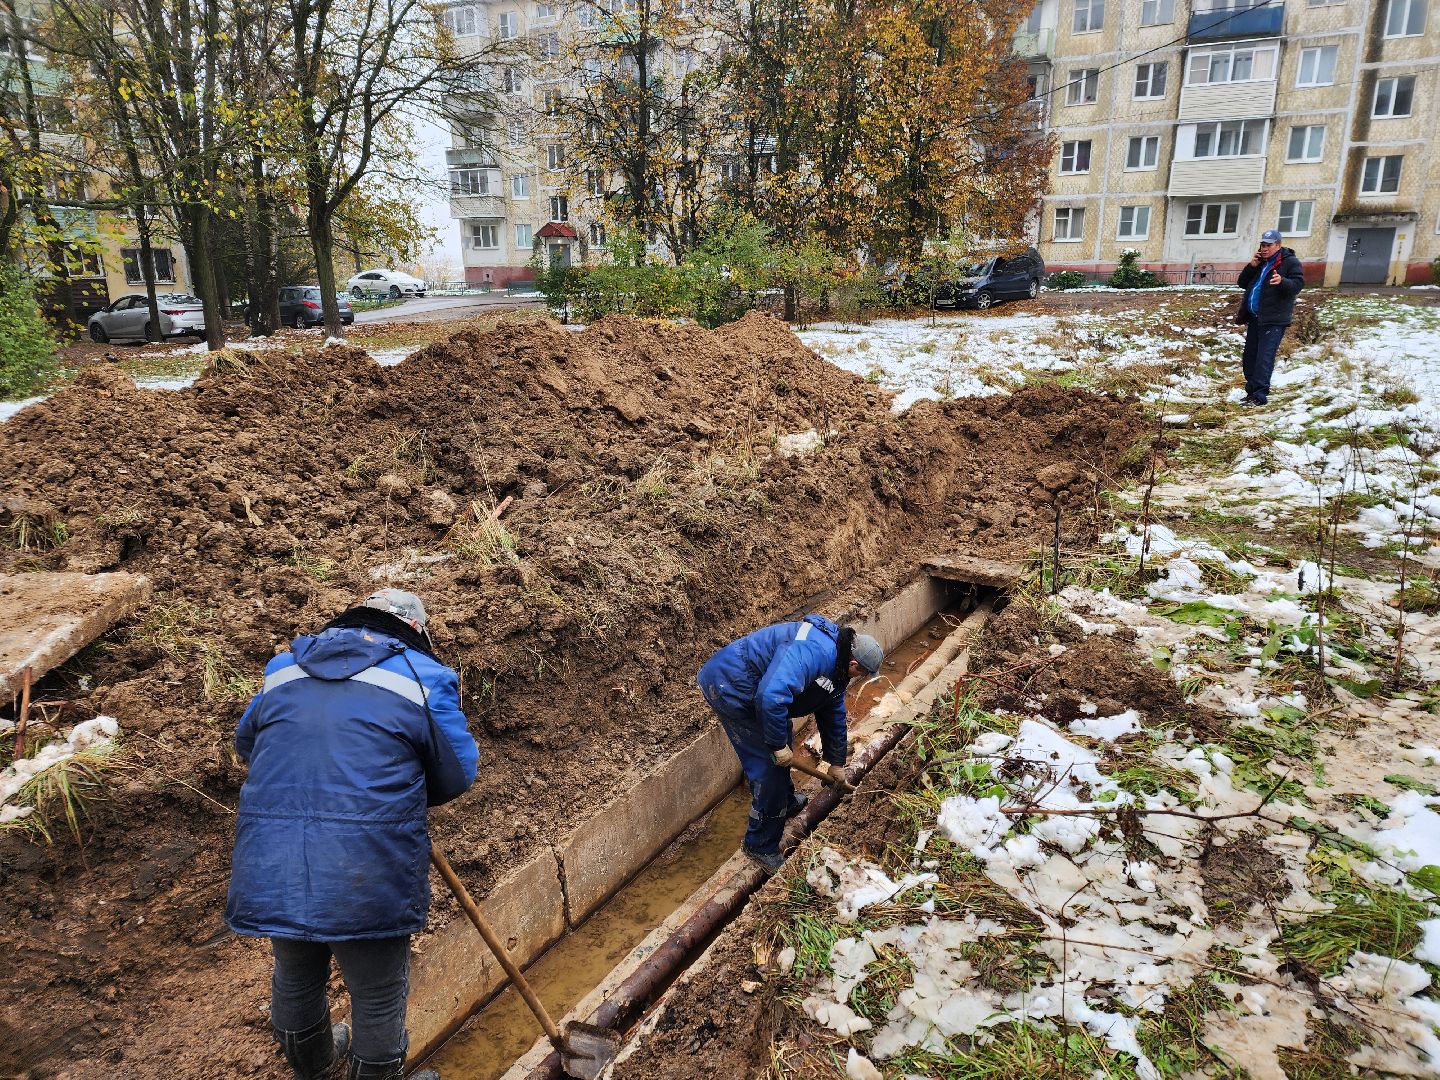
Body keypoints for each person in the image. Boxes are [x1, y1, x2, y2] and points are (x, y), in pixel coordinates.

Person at [226, 589, 478, 1080]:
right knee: (378, 990)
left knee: (295, 967)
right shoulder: (423, 677)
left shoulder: (283, 668)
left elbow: (248, 744)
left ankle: (315, 1067)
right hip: (367, 860)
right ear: (415, 632)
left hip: (275, 855)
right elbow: (457, 772)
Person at [698, 616, 883, 874]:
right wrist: (775, 745)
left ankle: (784, 801)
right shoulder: (816, 651)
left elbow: (834, 715)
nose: (860, 678)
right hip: (732, 685)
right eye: (862, 673)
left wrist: (836, 763)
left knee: (780, 741)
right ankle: (759, 845)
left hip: (761, 691)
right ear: (855, 664)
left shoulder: (838, 667)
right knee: (769, 767)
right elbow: (771, 697)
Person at [1235, 228, 1305, 407]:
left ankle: (1259, 396)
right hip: (1255, 318)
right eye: (1262, 245)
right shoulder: (1260, 263)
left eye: (1269, 245)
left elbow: (1298, 284)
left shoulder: (1289, 262)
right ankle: (1251, 391)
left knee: (1264, 357)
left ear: (1278, 245)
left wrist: (1283, 282)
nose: (1265, 248)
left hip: (1274, 319)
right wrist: (1251, 266)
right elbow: (1242, 283)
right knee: (1250, 356)